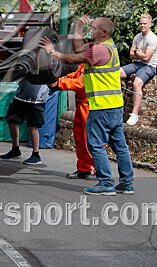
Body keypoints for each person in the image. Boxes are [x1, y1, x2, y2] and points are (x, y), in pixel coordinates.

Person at [40, 16, 134, 195]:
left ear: (104, 32)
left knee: (95, 145)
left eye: (94, 28)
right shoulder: (105, 46)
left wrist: (52, 52)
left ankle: (106, 183)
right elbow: (78, 47)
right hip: (114, 105)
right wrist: (79, 26)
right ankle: (126, 183)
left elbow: (72, 58)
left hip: (101, 106)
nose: (91, 30)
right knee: (119, 145)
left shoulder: (99, 51)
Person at [52, 64, 95, 180]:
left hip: (91, 105)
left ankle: (99, 169)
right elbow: (74, 76)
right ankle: (83, 168)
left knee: (90, 140)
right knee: (80, 138)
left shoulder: (94, 64)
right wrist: (59, 79)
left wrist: (59, 83)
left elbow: (81, 82)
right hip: (82, 104)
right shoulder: (84, 65)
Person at [0, 79, 50, 166]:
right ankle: (15, 149)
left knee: (32, 126)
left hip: (37, 99)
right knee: (11, 121)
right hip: (20, 97)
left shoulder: (44, 67)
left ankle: (36, 155)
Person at [120, 13, 157, 126]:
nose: (142, 25)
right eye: (141, 23)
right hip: (137, 64)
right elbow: (131, 55)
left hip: (149, 66)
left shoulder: (152, 38)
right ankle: (122, 87)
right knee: (115, 73)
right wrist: (139, 54)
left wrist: (137, 52)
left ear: (150, 25)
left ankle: (134, 114)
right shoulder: (137, 36)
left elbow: (147, 58)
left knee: (137, 83)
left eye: (145, 24)